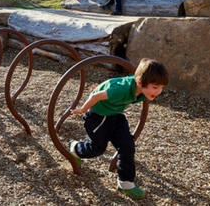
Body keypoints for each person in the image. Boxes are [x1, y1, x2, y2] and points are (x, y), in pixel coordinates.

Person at [69, 58, 169, 200]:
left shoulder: (143, 90)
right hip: (98, 116)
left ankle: (126, 184)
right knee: (97, 148)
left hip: (115, 115)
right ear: (140, 83)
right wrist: (82, 109)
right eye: (155, 87)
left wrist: (101, 87)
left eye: (161, 88)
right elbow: (96, 95)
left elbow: (111, 84)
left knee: (127, 146)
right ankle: (75, 149)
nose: (159, 92)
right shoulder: (122, 90)